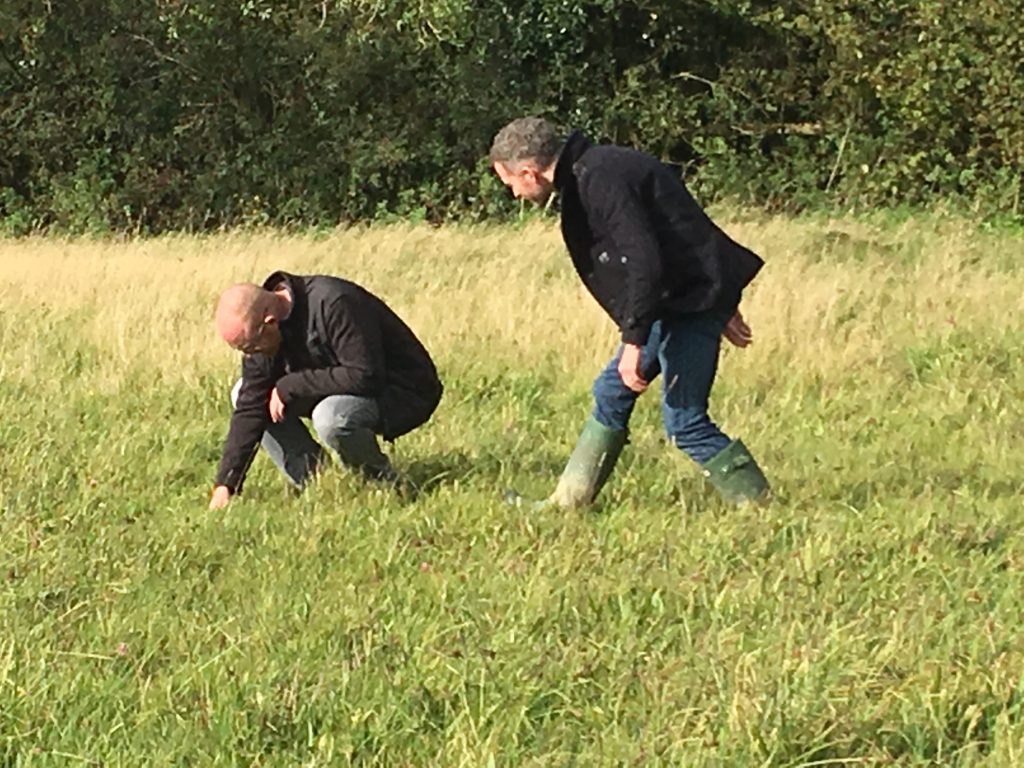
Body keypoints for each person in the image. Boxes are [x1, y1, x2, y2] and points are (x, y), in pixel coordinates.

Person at [490, 117, 769, 508]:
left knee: (685, 422)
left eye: (511, 184)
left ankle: (759, 507)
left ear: (529, 173)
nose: (516, 195)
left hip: (687, 305)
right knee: (611, 392)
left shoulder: (600, 177)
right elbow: (679, 235)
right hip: (683, 299)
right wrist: (722, 300)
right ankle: (568, 502)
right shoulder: (594, 169)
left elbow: (646, 261)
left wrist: (635, 342)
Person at [208, 271, 442, 510]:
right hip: (341, 387)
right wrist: (226, 484)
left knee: (331, 417)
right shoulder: (263, 337)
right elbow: (250, 405)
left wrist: (290, 386)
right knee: (242, 393)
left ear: (270, 322)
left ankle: (383, 487)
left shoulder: (334, 303)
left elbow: (365, 375)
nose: (250, 355)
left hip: (403, 389)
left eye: (249, 346)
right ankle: (319, 484)